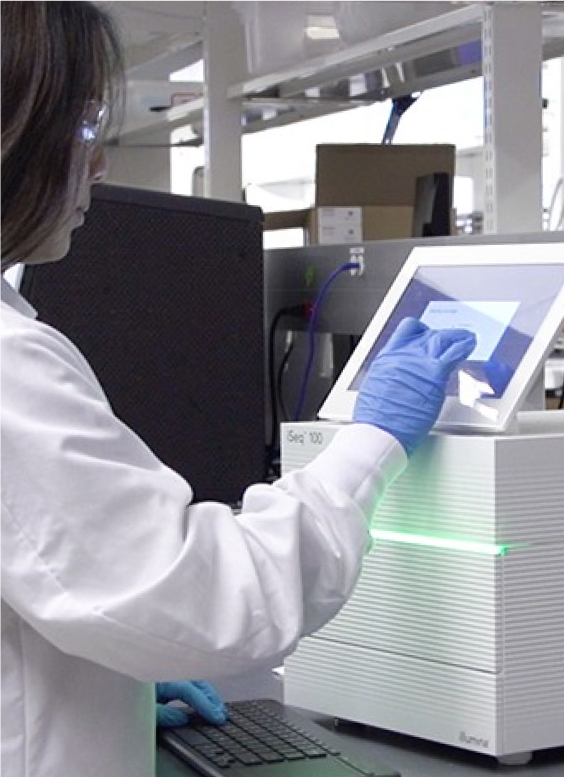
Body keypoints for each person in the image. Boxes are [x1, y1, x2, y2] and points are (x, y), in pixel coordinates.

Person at [0, 3, 476, 776]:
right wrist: (371, 442)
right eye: (83, 127)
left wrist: (107, 690)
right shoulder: (9, 367)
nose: (100, 165)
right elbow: (205, 600)